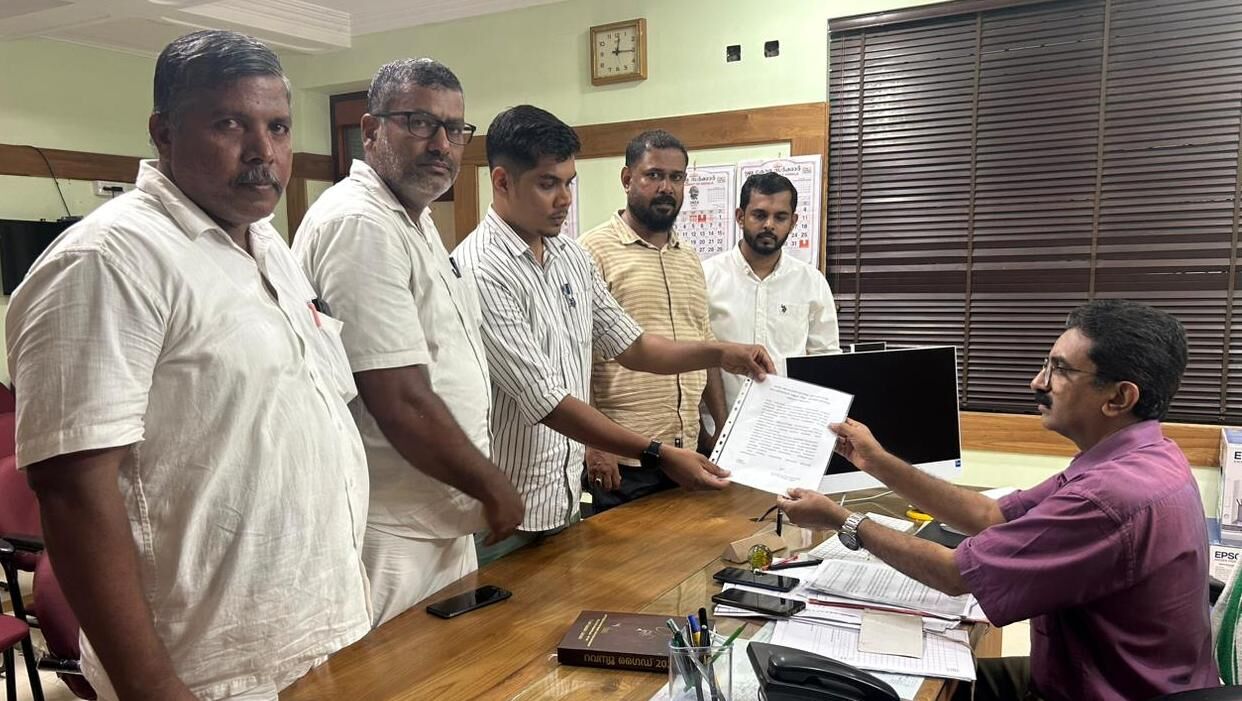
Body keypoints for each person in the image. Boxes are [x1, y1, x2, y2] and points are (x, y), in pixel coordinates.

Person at [6, 30, 371, 700]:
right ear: (164, 132)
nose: (263, 151)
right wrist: (150, 684)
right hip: (205, 668)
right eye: (230, 124)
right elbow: (72, 491)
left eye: (278, 126)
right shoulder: (107, 262)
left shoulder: (268, 244)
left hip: (314, 633)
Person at [778, 299, 1218, 701]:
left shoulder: (1109, 497)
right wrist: (875, 461)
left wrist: (844, 521)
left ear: (1119, 397)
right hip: (1106, 679)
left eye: (1060, 370)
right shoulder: (1145, 457)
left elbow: (954, 574)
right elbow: (991, 515)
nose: (1037, 382)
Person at [454, 105, 774, 564]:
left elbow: (634, 346)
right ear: (502, 182)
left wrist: (722, 352)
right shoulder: (480, 269)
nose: (564, 199)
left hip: (562, 496)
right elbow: (547, 401)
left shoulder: (568, 256)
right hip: (504, 509)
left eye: (569, 183)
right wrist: (655, 452)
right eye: (548, 184)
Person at [293, 58, 524, 627]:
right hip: (389, 529)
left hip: (441, 514)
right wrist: (491, 483)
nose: (441, 144)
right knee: (397, 672)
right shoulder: (361, 223)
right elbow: (396, 395)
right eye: (420, 123)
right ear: (371, 130)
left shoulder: (412, 219)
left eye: (455, 129)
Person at [577, 129, 726, 513]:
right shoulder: (590, 251)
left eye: (676, 177)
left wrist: (719, 428)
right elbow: (577, 356)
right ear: (627, 178)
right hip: (625, 463)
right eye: (654, 175)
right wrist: (594, 444)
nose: (666, 188)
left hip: (689, 452)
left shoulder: (689, 257)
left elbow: (704, 347)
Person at [703, 171, 840, 421]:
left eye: (780, 217)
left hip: (787, 426)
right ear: (740, 217)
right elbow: (695, 357)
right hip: (719, 427)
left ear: (793, 221)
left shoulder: (812, 282)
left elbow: (825, 362)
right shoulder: (706, 277)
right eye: (759, 215)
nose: (769, 225)